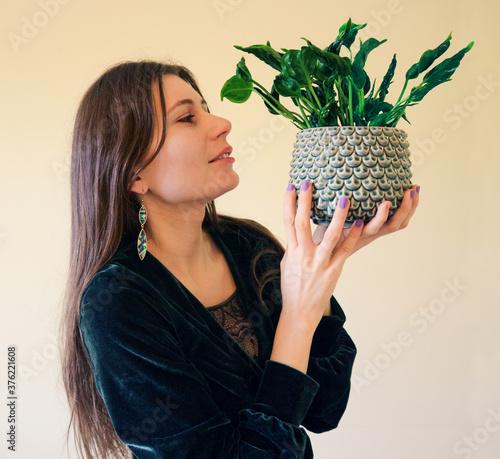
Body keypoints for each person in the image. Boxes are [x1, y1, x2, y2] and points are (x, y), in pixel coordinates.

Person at [60, 60, 419, 459]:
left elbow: (325, 408)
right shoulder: (118, 301)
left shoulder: (248, 244)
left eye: (207, 108)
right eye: (187, 118)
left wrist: (326, 261)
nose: (222, 123)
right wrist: (298, 318)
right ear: (134, 175)